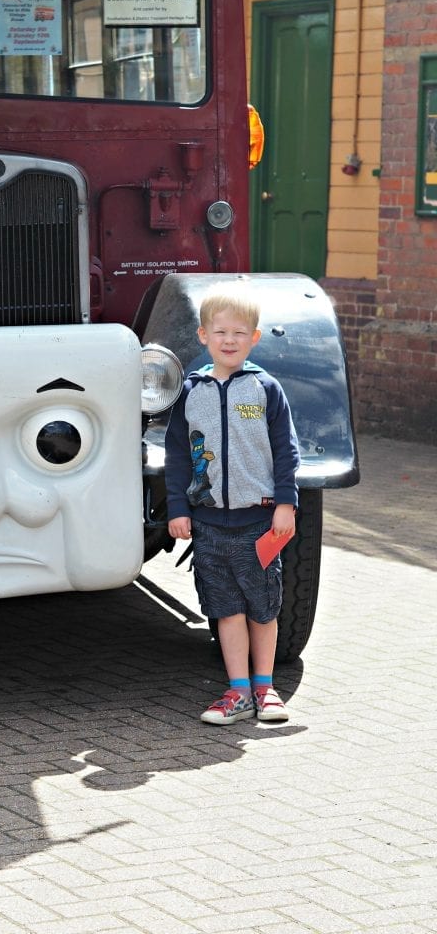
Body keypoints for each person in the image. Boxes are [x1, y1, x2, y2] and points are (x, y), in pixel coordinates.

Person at [165, 282, 300, 725]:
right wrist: (178, 509)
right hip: (207, 526)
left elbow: (286, 450)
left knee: (263, 608)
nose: (229, 341)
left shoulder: (265, 389)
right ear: (203, 336)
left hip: (259, 522)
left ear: (254, 339)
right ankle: (238, 691)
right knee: (225, 609)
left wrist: (286, 502)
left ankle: (266, 688)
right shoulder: (191, 391)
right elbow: (179, 455)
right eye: (220, 332)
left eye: (239, 333)